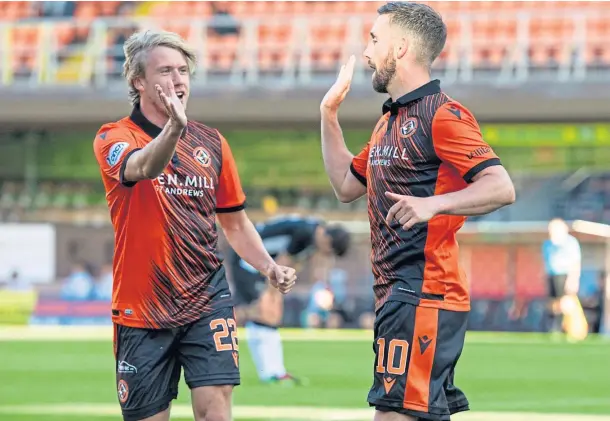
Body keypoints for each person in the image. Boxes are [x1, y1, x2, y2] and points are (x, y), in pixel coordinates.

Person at [319, 3, 516, 421]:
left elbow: (501, 187)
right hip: (399, 295)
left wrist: (435, 203)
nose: (367, 51)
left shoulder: (443, 114)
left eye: (375, 39)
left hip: (425, 294)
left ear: (402, 47)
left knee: (394, 415)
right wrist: (328, 115)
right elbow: (345, 187)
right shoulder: (388, 122)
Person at [92, 30, 297, 421]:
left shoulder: (213, 143)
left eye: (183, 71)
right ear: (138, 81)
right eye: (165, 71)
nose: (177, 80)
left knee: (215, 409)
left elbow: (235, 224)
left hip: (207, 298)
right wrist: (174, 129)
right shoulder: (114, 136)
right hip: (143, 306)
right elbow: (143, 167)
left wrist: (268, 265)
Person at [226, 215, 351, 384]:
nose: (325, 253)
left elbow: (293, 264)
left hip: (262, 264)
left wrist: (277, 294)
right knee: (262, 311)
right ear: (327, 239)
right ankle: (269, 372)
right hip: (247, 260)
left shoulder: (312, 233)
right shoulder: (305, 233)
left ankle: (275, 371)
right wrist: (271, 294)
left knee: (268, 312)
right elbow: (283, 262)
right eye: (329, 250)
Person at [542, 218, 583, 336]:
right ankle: (553, 327)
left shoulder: (570, 243)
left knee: (565, 302)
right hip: (552, 275)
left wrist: (573, 279)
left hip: (565, 275)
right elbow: (546, 262)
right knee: (553, 303)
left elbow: (575, 262)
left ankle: (566, 327)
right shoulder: (547, 244)